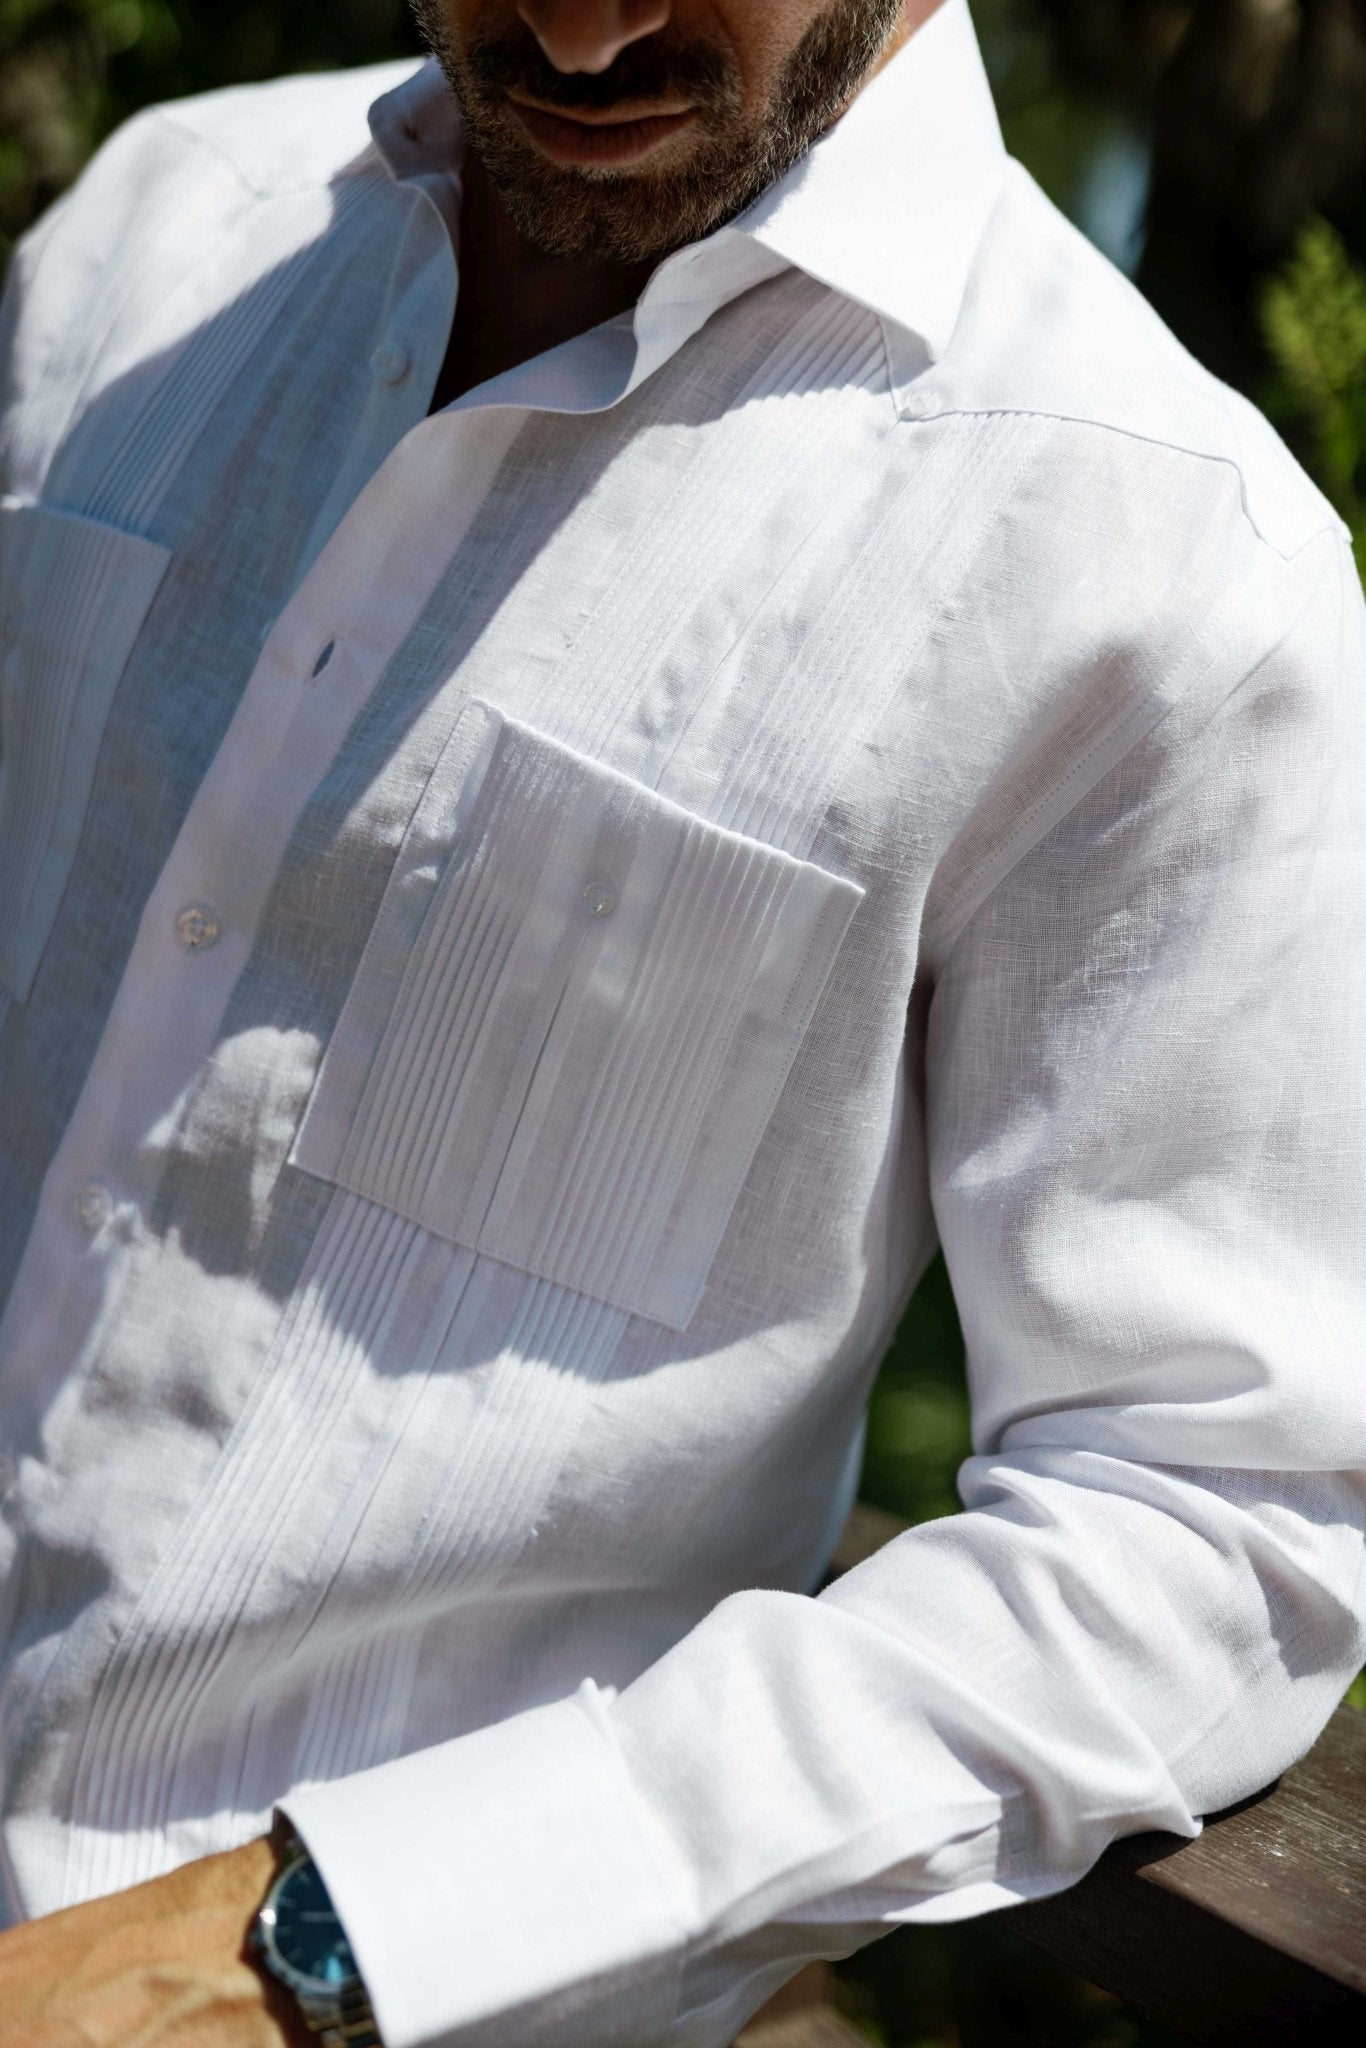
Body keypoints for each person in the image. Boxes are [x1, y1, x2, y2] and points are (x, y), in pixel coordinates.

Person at [0, 1, 1362, 2042]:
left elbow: (1198, 1526)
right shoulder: (147, 232)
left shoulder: (1159, 565)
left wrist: (313, 1944)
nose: (575, 20)